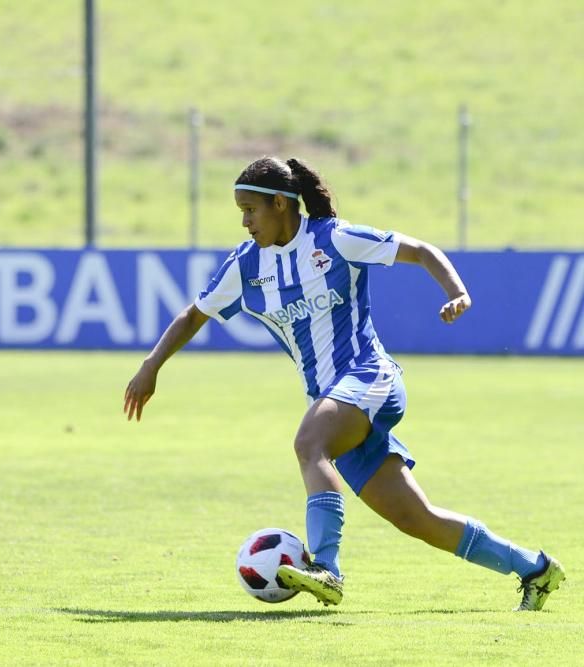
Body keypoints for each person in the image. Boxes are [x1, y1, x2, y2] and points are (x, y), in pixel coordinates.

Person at [123, 156, 564, 611]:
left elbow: (420, 250)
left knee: (308, 443)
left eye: (250, 210)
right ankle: (536, 568)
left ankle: (328, 569)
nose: (244, 222)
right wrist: (151, 365)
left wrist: (457, 292)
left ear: (280, 203)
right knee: (417, 518)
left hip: (371, 378)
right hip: (333, 402)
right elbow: (194, 314)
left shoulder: (335, 239)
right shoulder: (246, 265)